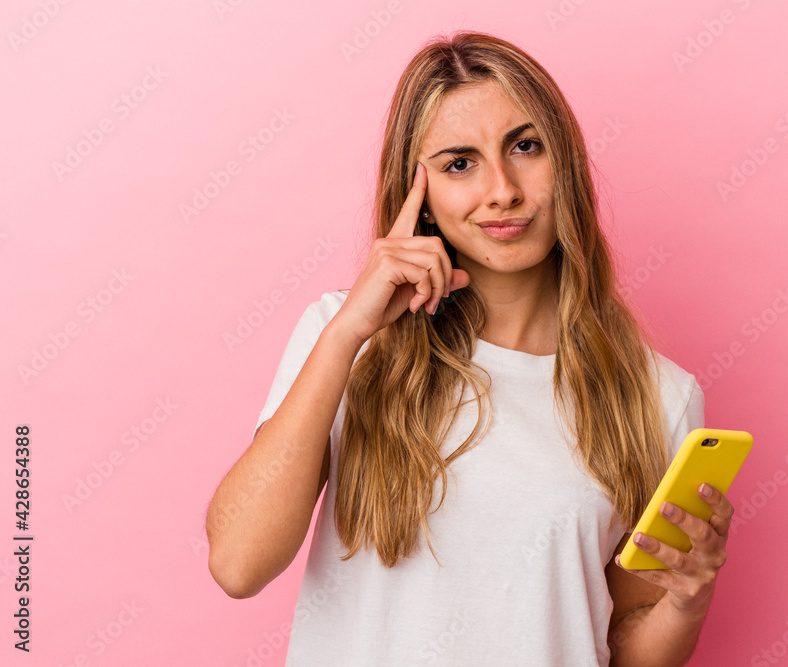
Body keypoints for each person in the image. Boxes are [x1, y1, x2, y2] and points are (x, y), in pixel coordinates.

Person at [207, 30, 733, 666]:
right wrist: (347, 332)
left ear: (564, 161)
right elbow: (238, 565)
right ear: (416, 193)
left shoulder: (660, 397)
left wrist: (686, 603)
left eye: (526, 147)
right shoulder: (345, 339)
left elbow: (621, 646)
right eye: (460, 163)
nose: (503, 189)